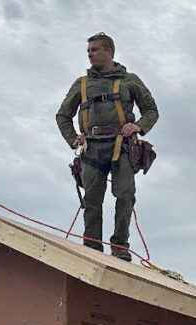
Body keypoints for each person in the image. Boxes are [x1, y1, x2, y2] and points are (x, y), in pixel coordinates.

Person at [56, 32, 158, 262]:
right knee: (92, 200)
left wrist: (138, 126)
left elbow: (151, 110)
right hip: (92, 148)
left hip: (121, 146)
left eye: (94, 50)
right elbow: (63, 115)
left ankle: (120, 245)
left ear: (109, 51)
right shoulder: (81, 84)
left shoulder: (130, 80)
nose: (90, 54)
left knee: (125, 195)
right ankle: (92, 247)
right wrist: (73, 138)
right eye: (88, 51)